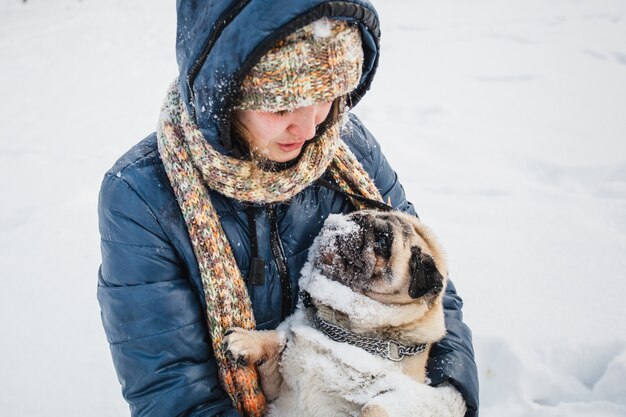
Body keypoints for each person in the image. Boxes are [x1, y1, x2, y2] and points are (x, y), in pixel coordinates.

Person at [97, 1, 479, 416]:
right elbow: (171, 389)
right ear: (223, 93)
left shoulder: (348, 148)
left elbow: (430, 294)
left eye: (328, 94)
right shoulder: (141, 196)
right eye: (281, 105)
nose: (311, 127)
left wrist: (442, 402)